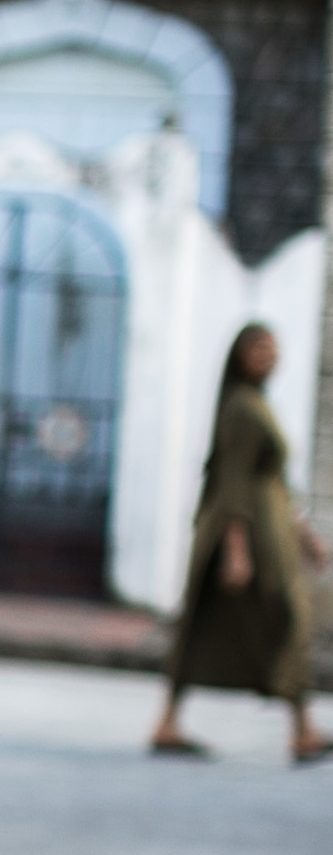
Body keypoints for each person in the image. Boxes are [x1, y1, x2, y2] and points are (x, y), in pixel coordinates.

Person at [150, 321, 330, 764]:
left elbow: (277, 484)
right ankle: (299, 727)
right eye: (258, 348)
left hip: (269, 531)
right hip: (246, 536)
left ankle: (300, 727)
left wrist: (306, 537)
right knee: (279, 619)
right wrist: (235, 551)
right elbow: (231, 484)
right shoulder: (241, 410)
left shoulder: (257, 405)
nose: (268, 357)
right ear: (239, 356)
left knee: (248, 625)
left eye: (273, 349)